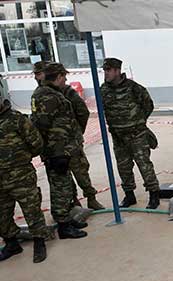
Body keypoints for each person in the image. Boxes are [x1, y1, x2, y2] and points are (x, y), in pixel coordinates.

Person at [33, 62, 105, 211]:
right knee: (63, 178)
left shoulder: (63, 91)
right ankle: (73, 205)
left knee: (81, 172)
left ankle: (90, 199)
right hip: (57, 149)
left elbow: (82, 111)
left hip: (70, 144)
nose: (37, 77)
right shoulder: (43, 94)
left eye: (38, 73)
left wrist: (77, 132)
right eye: (35, 74)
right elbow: (41, 123)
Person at [31, 62, 88, 239]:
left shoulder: (52, 93)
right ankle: (63, 225)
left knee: (66, 186)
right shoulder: (45, 96)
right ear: (57, 77)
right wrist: (53, 152)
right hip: (57, 152)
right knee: (60, 188)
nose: (65, 80)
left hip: (64, 150)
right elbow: (41, 125)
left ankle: (68, 220)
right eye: (64, 76)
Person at [100, 57, 160, 209]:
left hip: (136, 135)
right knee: (124, 167)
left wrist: (138, 122)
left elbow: (148, 105)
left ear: (117, 71)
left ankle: (154, 195)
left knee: (144, 165)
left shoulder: (134, 88)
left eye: (108, 70)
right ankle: (129, 196)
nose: (105, 73)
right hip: (118, 136)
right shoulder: (104, 89)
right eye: (104, 70)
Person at [0, 89, 48, 263]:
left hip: (21, 176)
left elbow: (36, 144)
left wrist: (19, 158)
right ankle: (12, 243)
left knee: (31, 209)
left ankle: (39, 242)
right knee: (2, 214)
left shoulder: (17, 119)